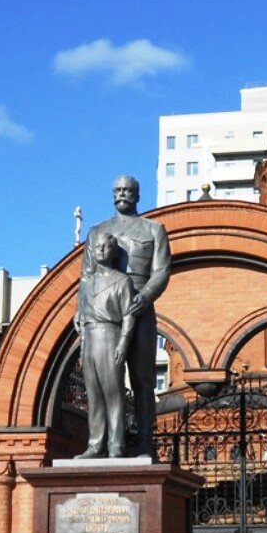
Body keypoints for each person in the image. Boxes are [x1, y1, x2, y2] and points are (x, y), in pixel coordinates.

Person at [80, 175, 171, 457]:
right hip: (104, 310)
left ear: (137, 195)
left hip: (139, 308)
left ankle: (144, 443)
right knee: (100, 382)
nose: (122, 194)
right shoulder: (97, 231)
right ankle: (98, 445)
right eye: (118, 190)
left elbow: (162, 271)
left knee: (143, 379)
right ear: (112, 194)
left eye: (128, 190)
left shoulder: (153, 229)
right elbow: (86, 275)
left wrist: (145, 297)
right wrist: (80, 311)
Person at [76, 233, 136, 458]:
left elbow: (128, 315)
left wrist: (123, 342)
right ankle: (95, 445)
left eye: (106, 246)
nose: (101, 249)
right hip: (89, 338)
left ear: (114, 252)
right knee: (93, 395)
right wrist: (83, 345)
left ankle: (116, 445)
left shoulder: (122, 281)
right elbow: (81, 315)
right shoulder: (85, 283)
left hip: (110, 335)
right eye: (97, 246)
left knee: (113, 393)